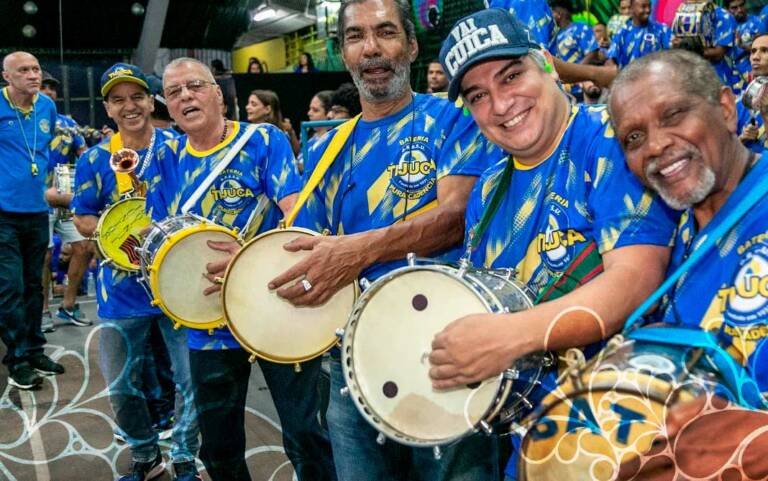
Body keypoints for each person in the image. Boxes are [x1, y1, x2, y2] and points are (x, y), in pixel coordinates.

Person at [435, 8, 677, 480]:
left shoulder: (607, 141)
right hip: (535, 440)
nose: (501, 104)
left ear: (547, 63)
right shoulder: (487, 190)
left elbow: (635, 280)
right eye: (478, 95)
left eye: (511, 76)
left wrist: (506, 338)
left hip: (624, 436)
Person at [266, 0, 502, 478]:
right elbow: (304, 245)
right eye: (356, 37)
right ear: (343, 53)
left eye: (386, 32)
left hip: (445, 356)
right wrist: (245, 262)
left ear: (412, 46)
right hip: (353, 364)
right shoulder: (323, 149)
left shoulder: (453, 119)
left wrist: (358, 250)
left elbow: (454, 217)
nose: (371, 48)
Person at [150, 57, 335, 481]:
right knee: (218, 446)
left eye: (194, 86)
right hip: (208, 320)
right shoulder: (166, 156)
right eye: (174, 92)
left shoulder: (263, 140)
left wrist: (247, 257)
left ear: (218, 93)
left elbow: (297, 215)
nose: (184, 97)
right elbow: (161, 236)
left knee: (306, 433)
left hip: (274, 307)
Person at [608, 48, 768, 481]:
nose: (657, 145)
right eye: (634, 138)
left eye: (674, 114)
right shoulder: (678, 235)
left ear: (727, 110)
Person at [71, 63, 200, 481]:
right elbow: (82, 218)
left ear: (150, 101)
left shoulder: (180, 149)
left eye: (137, 97)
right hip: (120, 293)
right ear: (107, 108)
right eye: (118, 99)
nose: (130, 106)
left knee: (189, 381)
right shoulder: (94, 159)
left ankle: (184, 456)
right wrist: (116, 231)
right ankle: (145, 455)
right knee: (123, 387)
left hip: (176, 284)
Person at [0, 51, 63, 390]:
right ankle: (17, 359)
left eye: (35, 69)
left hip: (36, 211)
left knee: (33, 286)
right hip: (2, 214)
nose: (32, 75)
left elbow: (43, 150)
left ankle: (35, 349)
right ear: (6, 76)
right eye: (23, 70)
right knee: (9, 288)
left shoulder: (47, 107)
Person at [39, 71, 93, 332]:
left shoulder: (68, 123)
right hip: (35, 199)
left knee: (84, 247)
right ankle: (42, 312)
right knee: (44, 255)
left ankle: (68, 305)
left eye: (52, 88)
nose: (49, 91)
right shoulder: (19, 121)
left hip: (64, 195)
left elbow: (83, 156)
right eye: (43, 87)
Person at [672, 0, 742, 94]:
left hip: (720, 77)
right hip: (692, 76)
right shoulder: (683, 16)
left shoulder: (723, 16)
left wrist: (689, 49)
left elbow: (719, 54)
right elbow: (676, 43)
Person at [607, 0, 670, 69]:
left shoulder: (662, 30)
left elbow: (670, 55)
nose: (648, 10)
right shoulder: (621, 33)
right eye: (643, 7)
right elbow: (612, 59)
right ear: (632, 9)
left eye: (649, 6)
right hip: (629, 77)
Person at [737, 33, 768, 153]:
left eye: (764, 50)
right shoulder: (742, 103)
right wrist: (742, 139)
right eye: (753, 51)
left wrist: (766, 116)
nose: (755, 57)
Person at [245, 89, 300, 154]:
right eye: (248, 103)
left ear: (267, 109)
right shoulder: (244, 131)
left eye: (253, 104)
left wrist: (291, 132)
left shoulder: (279, 136)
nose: (247, 107)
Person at [550, 0, 600, 65]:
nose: (549, 16)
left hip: (582, 73)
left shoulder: (582, 29)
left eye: (552, 12)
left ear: (559, 13)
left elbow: (592, 53)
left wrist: (576, 72)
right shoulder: (553, 37)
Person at [728, 0, 764, 86]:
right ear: (727, 9)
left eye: (742, 5)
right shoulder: (725, 26)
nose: (740, 10)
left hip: (752, 73)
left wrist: (743, 46)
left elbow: (763, 51)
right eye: (734, 8)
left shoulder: (757, 23)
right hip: (730, 74)